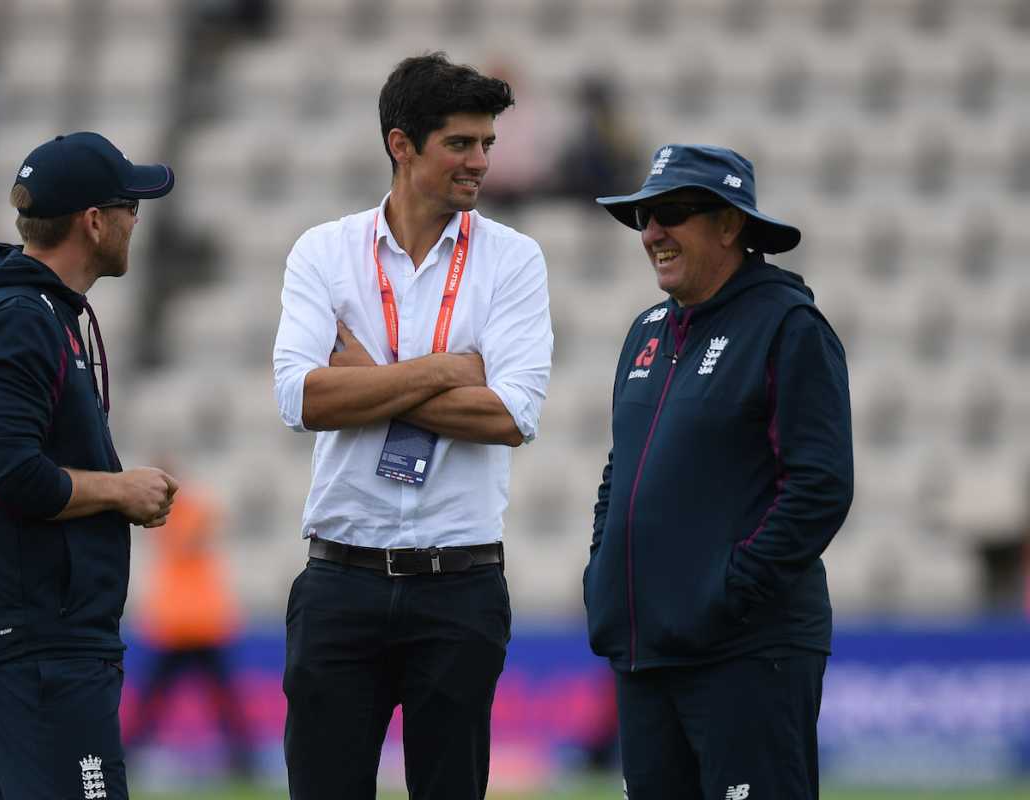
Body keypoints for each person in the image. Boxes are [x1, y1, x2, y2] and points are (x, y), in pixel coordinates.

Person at [272, 52, 553, 800]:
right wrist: (442, 370)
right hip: (340, 578)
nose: (481, 161)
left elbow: (510, 416)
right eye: (461, 143)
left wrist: (365, 378)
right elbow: (301, 398)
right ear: (402, 145)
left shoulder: (515, 259)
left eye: (487, 143)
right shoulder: (324, 251)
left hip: (459, 583)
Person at [584, 144, 853, 800]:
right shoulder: (646, 331)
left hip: (746, 652)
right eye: (644, 215)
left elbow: (821, 486)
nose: (651, 232)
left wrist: (728, 593)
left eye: (672, 212)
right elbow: (620, 470)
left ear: (730, 225)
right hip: (648, 655)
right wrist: (604, 576)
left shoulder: (788, 326)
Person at [0, 131, 179, 800]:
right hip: (42, 645)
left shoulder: (39, 314)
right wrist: (119, 490)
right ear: (94, 221)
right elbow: (9, 475)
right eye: (129, 204)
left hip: (48, 640)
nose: (137, 218)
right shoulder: (20, 319)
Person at [130, 474, 255, 776]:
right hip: (180, 624)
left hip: (199, 623)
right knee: (156, 698)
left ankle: (243, 760)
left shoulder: (188, 511)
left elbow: (193, 539)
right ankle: (128, 752)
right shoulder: (175, 514)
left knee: (221, 698)